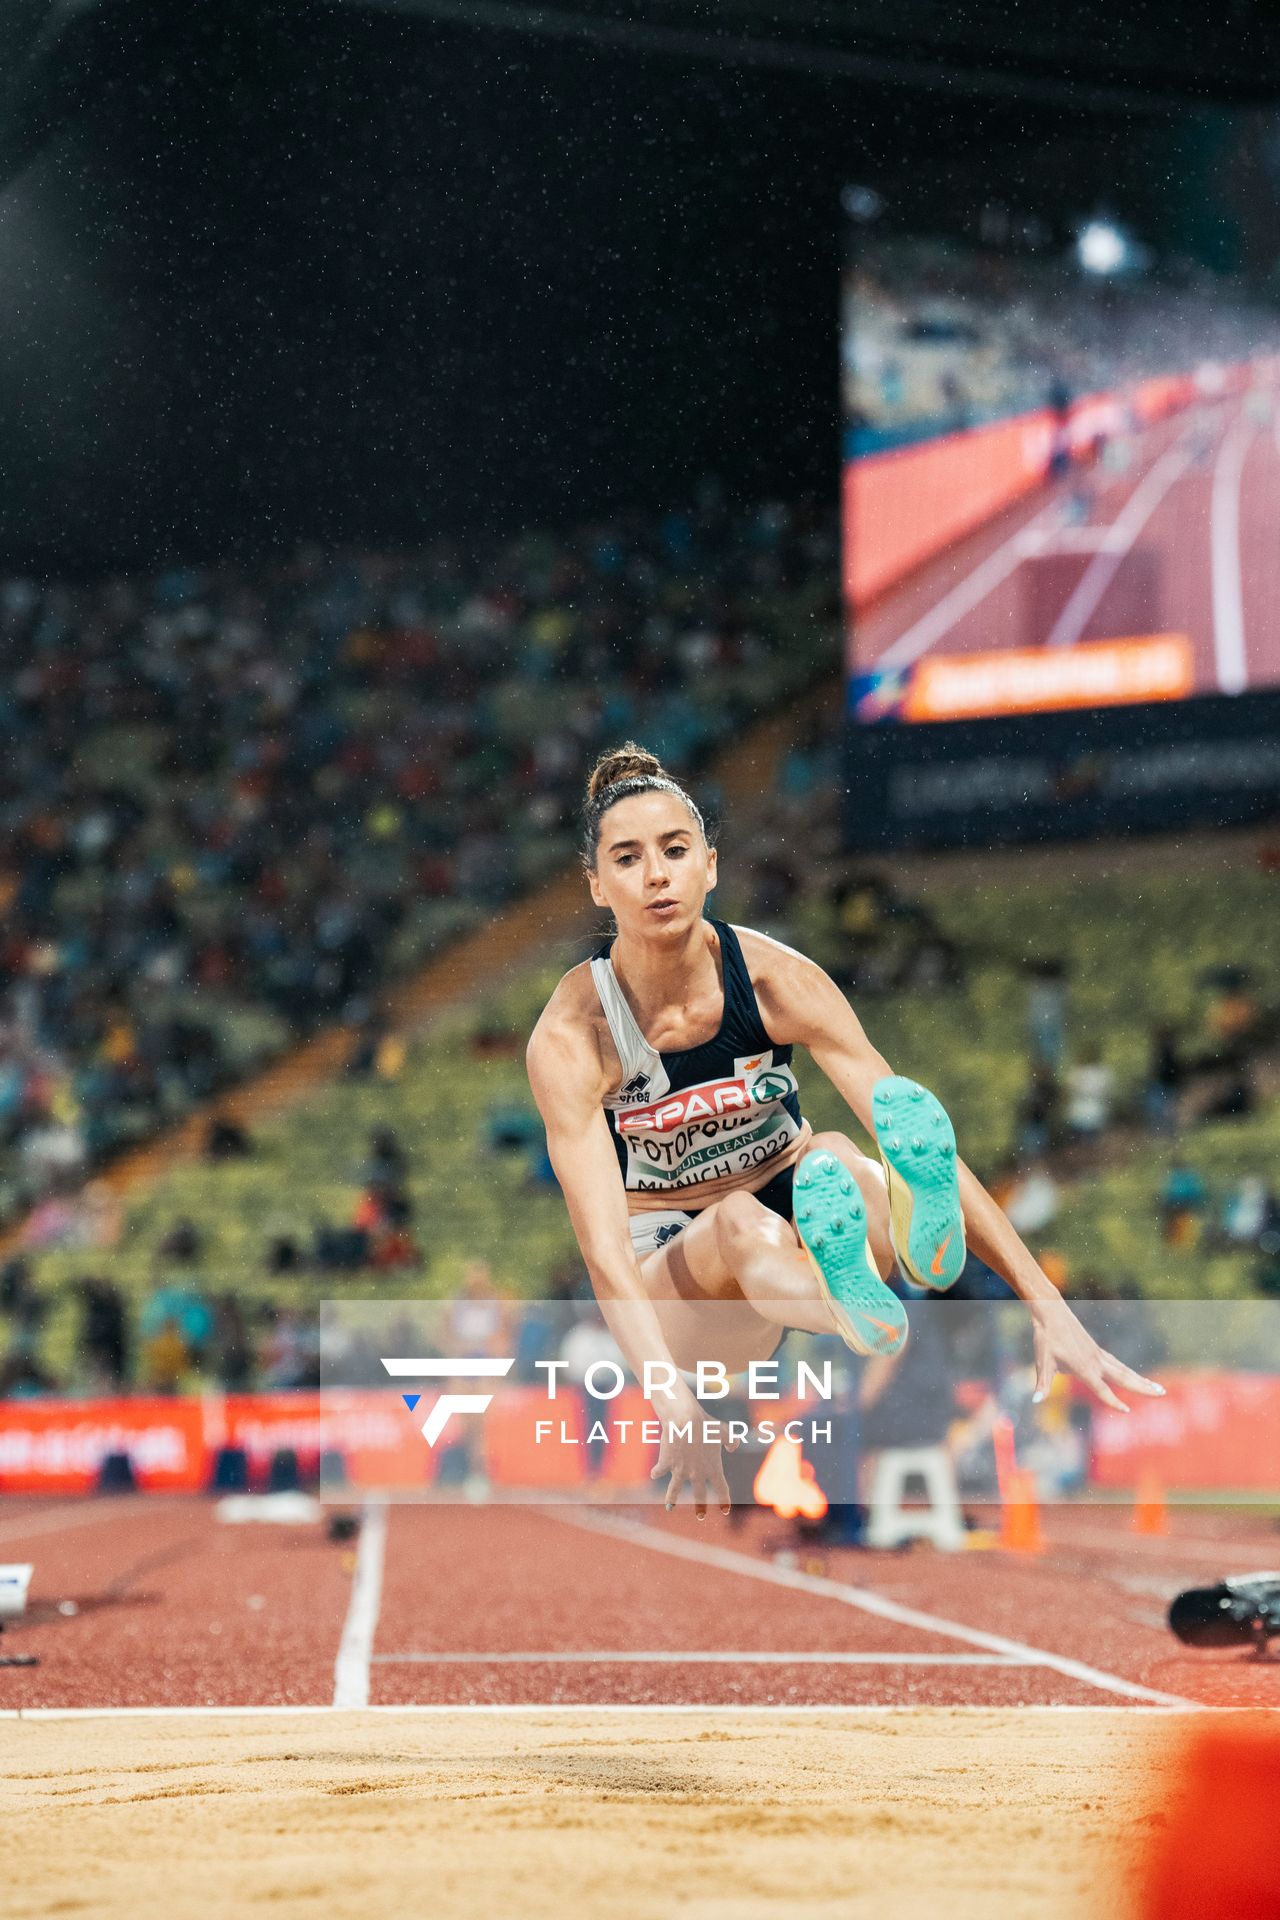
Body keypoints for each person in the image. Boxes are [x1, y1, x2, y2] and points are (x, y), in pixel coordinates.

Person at [526, 743, 1164, 1520]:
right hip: (677, 1271)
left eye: (675, 849)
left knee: (841, 1156)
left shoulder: (772, 980)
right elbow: (600, 1250)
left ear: (711, 866)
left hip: (797, 1203)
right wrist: (671, 1402)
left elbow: (923, 1143)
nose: (656, 873)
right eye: (627, 858)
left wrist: (1046, 1302)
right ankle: (862, 1300)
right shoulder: (573, 1035)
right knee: (738, 1224)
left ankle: (881, 1279)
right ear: (597, 885)